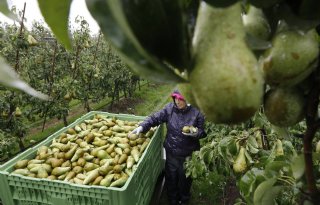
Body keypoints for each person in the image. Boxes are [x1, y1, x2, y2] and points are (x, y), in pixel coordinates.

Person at [130, 90, 206, 205]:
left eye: (180, 99)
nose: (177, 101)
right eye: (175, 98)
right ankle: (173, 199)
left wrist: (195, 133)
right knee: (171, 177)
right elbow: (155, 118)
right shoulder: (169, 109)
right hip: (171, 152)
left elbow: (202, 132)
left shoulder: (197, 112)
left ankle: (184, 199)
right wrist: (142, 127)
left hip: (188, 154)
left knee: (185, 179)